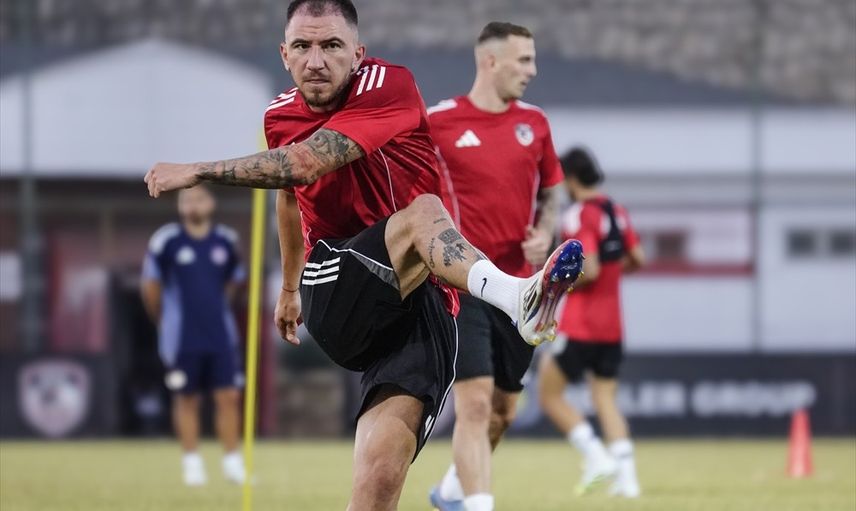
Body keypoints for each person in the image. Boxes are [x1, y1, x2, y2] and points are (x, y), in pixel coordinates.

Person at [143, 1, 583, 508]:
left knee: (378, 486)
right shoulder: (279, 116)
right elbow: (291, 192)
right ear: (284, 54)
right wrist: (289, 287)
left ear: (358, 53)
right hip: (336, 282)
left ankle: (514, 312)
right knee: (424, 212)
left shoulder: (389, 86)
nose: (316, 61)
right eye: (303, 47)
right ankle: (518, 296)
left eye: (331, 45)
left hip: (420, 306)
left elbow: (303, 164)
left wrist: (199, 168)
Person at [425, 22, 564, 511]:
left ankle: (450, 491)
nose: (533, 70)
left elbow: (552, 192)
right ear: (490, 61)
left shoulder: (536, 123)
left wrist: (545, 231)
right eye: (524, 60)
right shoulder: (437, 122)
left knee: (502, 413)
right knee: (475, 404)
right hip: (463, 285)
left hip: (522, 291)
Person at [537, 147, 645, 498]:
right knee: (605, 398)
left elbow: (591, 267)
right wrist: (612, 277)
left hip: (581, 324)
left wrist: (554, 281)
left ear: (569, 178)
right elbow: (637, 258)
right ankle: (628, 481)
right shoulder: (617, 211)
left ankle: (596, 456)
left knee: (548, 395)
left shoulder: (579, 214)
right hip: (613, 326)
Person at [140, 184, 247, 486]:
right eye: (186, 199)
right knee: (186, 397)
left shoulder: (225, 241)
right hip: (181, 337)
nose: (193, 204)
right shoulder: (167, 241)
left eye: (199, 198)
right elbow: (151, 286)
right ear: (179, 206)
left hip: (220, 334)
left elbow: (234, 282)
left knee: (228, 396)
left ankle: (232, 462)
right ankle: (192, 463)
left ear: (210, 203)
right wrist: (164, 321)